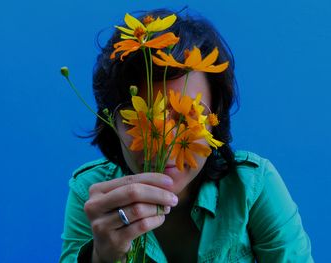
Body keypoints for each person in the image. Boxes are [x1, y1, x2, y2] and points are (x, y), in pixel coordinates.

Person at [59, 8, 314, 263]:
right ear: (112, 123)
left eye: (188, 116)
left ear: (215, 120)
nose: (165, 143)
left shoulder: (253, 186)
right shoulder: (91, 196)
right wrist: (101, 257)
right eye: (143, 119)